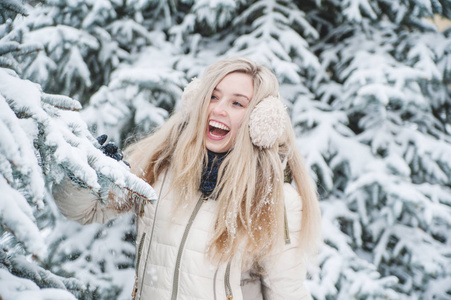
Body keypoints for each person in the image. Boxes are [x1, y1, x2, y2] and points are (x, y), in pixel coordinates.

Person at [53, 57, 322, 300]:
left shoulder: (274, 197)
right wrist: (87, 178)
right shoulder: (160, 165)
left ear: (261, 121)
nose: (218, 109)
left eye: (237, 103)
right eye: (212, 97)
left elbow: (287, 292)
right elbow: (83, 212)